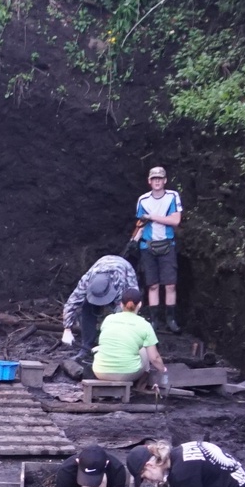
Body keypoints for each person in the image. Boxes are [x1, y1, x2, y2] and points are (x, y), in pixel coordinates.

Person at [60, 255, 137, 367]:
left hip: (124, 270)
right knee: (86, 308)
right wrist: (67, 329)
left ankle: (120, 347)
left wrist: (107, 344)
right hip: (100, 267)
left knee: (130, 306)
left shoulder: (119, 283)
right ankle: (86, 347)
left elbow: (121, 314)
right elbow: (72, 302)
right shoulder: (86, 281)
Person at [134, 165, 183, 333]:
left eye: (160, 178)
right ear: (149, 181)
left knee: (170, 285)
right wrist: (134, 240)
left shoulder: (172, 196)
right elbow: (140, 224)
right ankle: (154, 320)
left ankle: (171, 319)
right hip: (147, 246)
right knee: (152, 285)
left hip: (167, 245)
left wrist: (151, 216)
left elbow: (175, 220)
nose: (157, 181)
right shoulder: (143, 200)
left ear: (165, 180)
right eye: (154, 178)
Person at [92, 286, 166, 396]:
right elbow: (154, 358)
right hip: (127, 373)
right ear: (140, 304)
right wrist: (163, 370)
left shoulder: (108, 319)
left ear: (121, 305)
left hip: (100, 371)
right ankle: (140, 385)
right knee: (144, 349)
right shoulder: (145, 325)